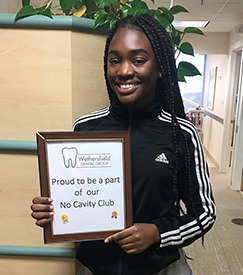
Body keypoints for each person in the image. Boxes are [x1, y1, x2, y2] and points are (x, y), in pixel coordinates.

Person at [31, 14, 216, 275]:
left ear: (160, 66)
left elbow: (205, 212)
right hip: (94, 269)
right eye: (114, 61)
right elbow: (77, 199)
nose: (124, 70)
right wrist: (51, 211)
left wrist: (158, 233)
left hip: (160, 268)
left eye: (138, 60)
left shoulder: (180, 132)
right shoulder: (85, 129)